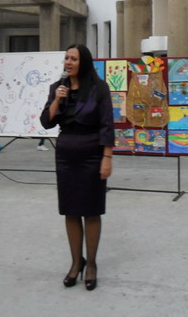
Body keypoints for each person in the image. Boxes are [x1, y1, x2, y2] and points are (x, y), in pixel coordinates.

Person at [40, 44, 114, 291]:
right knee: (70, 211)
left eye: (73, 59)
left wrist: (107, 157)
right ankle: (76, 262)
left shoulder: (99, 88)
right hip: (66, 154)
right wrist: (56, 100)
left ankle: (91, 264)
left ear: (84, 62)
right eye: (66, 58)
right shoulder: (57, 87)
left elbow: (107, 124)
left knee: (91, 211)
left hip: (92, 153)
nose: (68, 62)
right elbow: (46, 122)